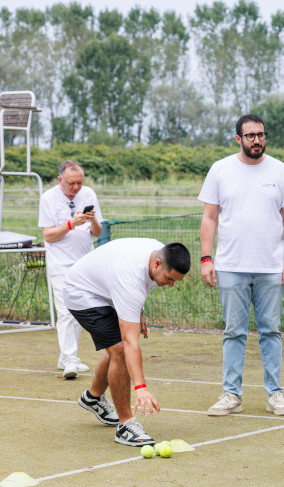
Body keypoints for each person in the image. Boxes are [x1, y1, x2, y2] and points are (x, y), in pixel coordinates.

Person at [199, 113, 284, 417]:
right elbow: (209, 217)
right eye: (250, 136)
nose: (257, 140)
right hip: (230, 266)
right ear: (238, 139)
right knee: (234, 332)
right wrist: (206, 259)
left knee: (271, 331)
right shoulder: (220, 170)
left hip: (272, 267)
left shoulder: (280, 170)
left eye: (261, 135)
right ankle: (232, 394)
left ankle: (275, 394)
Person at [65, 239, 190, 446]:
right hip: (82, 293)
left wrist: (137, 312)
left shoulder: (160, 253)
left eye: (175, 281)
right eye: (169, 279)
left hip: (107, 288)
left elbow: (141, 286)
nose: (170, 285)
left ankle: (93, 397)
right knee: (121, 349)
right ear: (157, 264)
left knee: (119, 348)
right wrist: (140, 387)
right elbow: (130, 341)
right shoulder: (130, 277)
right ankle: (125, 424)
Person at [38, 160, 103, 379]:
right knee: (65, 311)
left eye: (79, 182)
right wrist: (71, 224)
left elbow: (97, 231)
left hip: (85, 263)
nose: (76, 187)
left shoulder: (89, 194)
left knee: (79, 310)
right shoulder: (48, 198)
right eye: (71, 183)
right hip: (60, 263)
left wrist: (91, 220)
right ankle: (70, 359)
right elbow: (48, 235)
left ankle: (65, 357)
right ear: (60, 180)